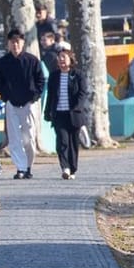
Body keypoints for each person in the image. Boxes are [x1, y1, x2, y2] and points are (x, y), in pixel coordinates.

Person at [0, 28, 46, 179]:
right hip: (11, 103)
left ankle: (28, 166)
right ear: (8, 44)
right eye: (12, 42)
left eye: (17, 41)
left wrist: (34, 97)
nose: (15, 44)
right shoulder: (3, 62)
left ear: (22, 43)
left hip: (29, 103)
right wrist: (5, 97)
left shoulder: (32, 60)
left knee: (29, 136)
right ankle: (20, 168)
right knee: (14, 137)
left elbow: (40, 81)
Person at [44, 46, 91, 179]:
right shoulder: (54, 76)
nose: (61, 60)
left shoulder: (78, 75)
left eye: (64, 57)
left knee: (73, 143)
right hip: (59, 114)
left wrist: (78, 107)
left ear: (70, 59)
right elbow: (51, 96)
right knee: (62, 141)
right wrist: (48, 112)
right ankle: (65, 167)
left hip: (74, 114)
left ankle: (73, 168)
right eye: (59, 58)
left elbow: (83, 93)